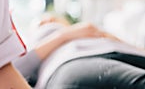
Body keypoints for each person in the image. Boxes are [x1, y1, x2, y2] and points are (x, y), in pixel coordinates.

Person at [14, 13, 145, 88]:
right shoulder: (39, 41)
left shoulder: (84, 36)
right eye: (41, 23)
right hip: (71, 70)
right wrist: (64, 34)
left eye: (52, 19)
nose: (47, 19)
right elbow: (17, 68)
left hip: (78, 69)